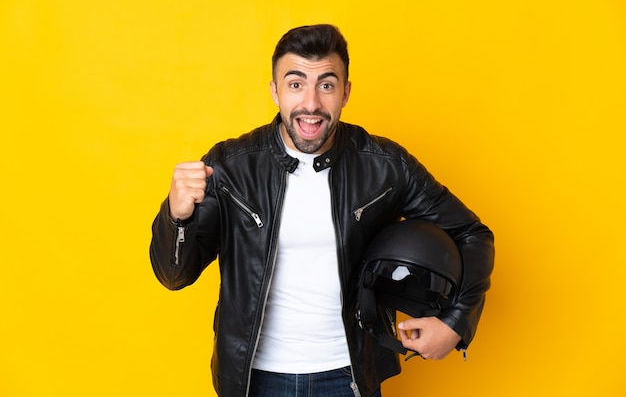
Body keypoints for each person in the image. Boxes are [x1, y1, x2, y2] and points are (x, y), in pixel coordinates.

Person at [150, 24, 495, 397]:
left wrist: (455, 323)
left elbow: (472, 234)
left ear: (345, 92)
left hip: (349, 376)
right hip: (254, 379)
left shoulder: (385, 165)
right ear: (275, 91)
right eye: (296, 84)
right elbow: (174, 275)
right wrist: (176, 216)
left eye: (326, 85)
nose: (311, 104)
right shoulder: (230, 166)